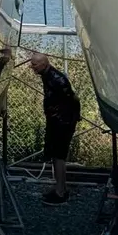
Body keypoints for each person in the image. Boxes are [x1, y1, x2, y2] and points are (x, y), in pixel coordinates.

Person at [30, 52, 81, 204]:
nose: (31, 67)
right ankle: (61, 188)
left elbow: (73, 100)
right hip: (57, 120)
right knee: (56, 156)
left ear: (44, 64)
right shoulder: (47, 75)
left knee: (59, 157)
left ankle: (60, 193)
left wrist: (70, 120)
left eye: (34, 64)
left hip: (62, 122)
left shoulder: (57, 79)